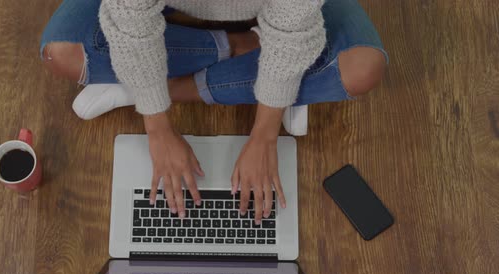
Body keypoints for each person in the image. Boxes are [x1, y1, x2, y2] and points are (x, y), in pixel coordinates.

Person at [40, 0, 387, 225]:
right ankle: (242, 48)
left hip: (295, 15)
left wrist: (265, 135)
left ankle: (154, 87)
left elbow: (292, 38)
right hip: (155, 10)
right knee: (65, 53)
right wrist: (157, 127)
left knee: (362, 67)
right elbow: (132, 31)